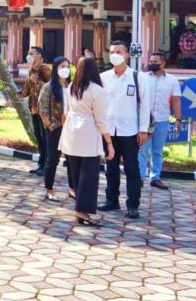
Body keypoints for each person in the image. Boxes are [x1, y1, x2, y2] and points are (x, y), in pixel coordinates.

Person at [97, 40, 151, 219]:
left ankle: (133, 204)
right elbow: (99, 104)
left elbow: (145, 106)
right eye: (112, 51)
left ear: (127, 55)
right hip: (109, 131)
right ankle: (112, 200)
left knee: (131, 168)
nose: (115, 54)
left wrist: (143, 130)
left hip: (130, 131)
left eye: (119, 51)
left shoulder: (138, 77)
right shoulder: (104, 77)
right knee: (110, 168)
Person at [60, 56, 115, 226]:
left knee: (76, 173)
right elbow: (100, 120)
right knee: (89, 175)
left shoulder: (71, 87)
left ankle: (79, 209)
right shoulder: (97, 90)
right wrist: (109, 143)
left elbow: (66, 111)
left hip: (71, 130)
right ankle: (82, 211)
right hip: (88, 131)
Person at [140, 52, 182, 189]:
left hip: (162, 119)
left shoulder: (172, 80)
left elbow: (176, 100)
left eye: (155, 61)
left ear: (163, 63)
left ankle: (155, 178)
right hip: (145, 120)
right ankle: (139, 178)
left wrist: (178, 119)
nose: (152, 63)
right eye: (150, 60)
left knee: (157, 151)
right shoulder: (142, 78)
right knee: (142, 150)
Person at [38, 56, 76, 202]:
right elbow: (43, 110)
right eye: (62, 66)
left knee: (72, 160)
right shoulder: (48, 87)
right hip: (56, 128)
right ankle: (49, 189)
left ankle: (72, 189)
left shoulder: (72, 87)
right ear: (55, 69)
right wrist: (50, 125)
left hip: (72, 128)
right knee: (52, 159)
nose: (65, 69)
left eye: (67, 66)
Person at [20, 46, 51, 176]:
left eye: (31, 53)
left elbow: (51, 88)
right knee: (39, 138)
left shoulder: (46, 69)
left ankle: (46, 167)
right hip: (34, 109)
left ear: (39, 55)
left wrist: (36, 81)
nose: (29, 56)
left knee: (45, 139)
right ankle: (41, 164)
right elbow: (28, 90)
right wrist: (19, 93)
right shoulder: (31, 70)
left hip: (44, 111)